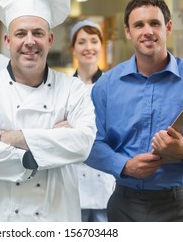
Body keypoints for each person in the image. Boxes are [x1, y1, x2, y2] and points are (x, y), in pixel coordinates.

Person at [85, 0, 183, 222]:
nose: (148, 31)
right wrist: (125, 165)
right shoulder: (106, 85)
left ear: (168, 27)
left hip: (179, 209)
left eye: (155, 23)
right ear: (128, 31)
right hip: (124, 207)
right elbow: (90, 142)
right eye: (139, 25)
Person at [0, 0, 97, 222]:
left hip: (55, 218)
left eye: (37, 33)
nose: (30, 41)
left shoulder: (73, 89)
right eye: (20, 33)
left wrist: (14, 138)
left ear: (49, 39)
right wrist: (54, 142)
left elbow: (82, 145)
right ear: (7, 40)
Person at [69, 19, 116, 222]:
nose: (88, 47)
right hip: (73, 178)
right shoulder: (63, 87)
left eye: (94, 41)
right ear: (73, 48)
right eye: (81, 42)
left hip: (103, 177)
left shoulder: (114, 86)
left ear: (101, 46)